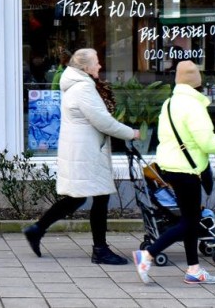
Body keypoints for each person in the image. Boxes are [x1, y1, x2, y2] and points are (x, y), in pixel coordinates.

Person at [23, 48, 140, 264]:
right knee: (99, 197)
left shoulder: (74, 85)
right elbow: (103, 121)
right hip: (87, 152)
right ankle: (100, 250)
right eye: (96, 62)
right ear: (85, 67)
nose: (100, 66)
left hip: (80, 149)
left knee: (77, 197)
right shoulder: (84, 88)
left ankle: (37, 229)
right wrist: (131, 133)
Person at [133, 60, 215, 285]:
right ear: (197, 82)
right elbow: (206, 141)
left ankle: (194, 270)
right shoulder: (193, 106)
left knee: (189, 219)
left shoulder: (170, 103)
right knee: (190, 221)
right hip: (186, 171)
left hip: (170, 167)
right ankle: (149, 254)